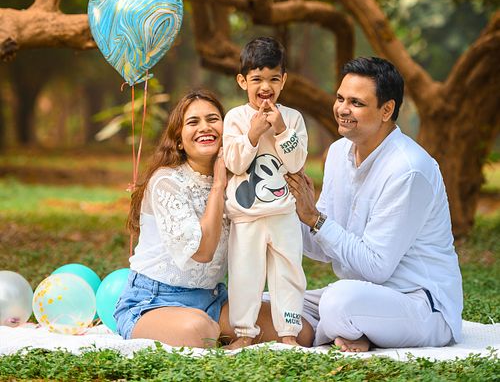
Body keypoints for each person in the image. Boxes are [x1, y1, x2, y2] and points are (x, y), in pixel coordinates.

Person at [287, 56, 463, 352]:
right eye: (340, 98)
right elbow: (321, 247)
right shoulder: (338, 153)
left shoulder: (408, 169)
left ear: (387, 110)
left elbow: (376, 266)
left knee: (338, 303)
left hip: (421, 304)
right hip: (364, 296)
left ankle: (347, 328)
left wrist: (315, 219)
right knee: (268, 302)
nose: (342, 109)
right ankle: (350, 331)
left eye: (356, 102)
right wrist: (285, 210)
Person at [114, 90, 232, 347]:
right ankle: (211, 331)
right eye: (193, 122)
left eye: (213, 119)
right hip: (154, 301)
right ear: (179, 141)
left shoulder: (237, 181)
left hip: (212, 298)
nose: (205, 127)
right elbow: (203, 252)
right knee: (199, 330)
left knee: (294, 329)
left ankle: (216, 329)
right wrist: (218, 185)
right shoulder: (166, 181)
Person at [222, 36, 308, 349]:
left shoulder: (293, 118)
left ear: (283, 80)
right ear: (242, 81)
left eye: (273, 78)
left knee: (288, 272)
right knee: (245, 274)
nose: (265, 86)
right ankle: (245, 332)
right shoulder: (235, 118)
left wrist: (281, 129)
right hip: (246, 216)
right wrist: (254, 133)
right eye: (257, 79)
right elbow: (234, 163)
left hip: (283, 214)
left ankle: (289, 333)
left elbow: (296, 162)